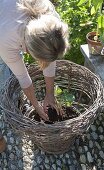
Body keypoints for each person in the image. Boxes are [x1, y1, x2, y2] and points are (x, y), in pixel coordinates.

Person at [0, 0, 69, 153]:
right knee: (4, 70)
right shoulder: (5, 38)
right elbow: (23, 77)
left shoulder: (52, 24)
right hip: (3, 26)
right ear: (28, 50)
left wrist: (50, 94)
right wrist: (35, 105)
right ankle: (14, 99)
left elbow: (49, 59)